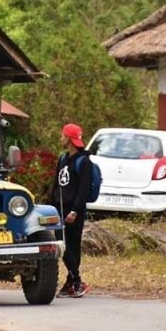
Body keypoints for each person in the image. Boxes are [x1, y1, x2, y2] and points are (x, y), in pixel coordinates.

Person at [50, 123, 93, 298]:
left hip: (74, 211)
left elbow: (83, 190)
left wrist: (74, 211)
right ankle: (71, 283)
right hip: (59, 209)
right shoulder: (63, 158)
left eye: (63, 136)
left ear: (69, 139)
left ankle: (76, 282)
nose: (61, 138)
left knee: (71, 247)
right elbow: (55, 184)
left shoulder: (84, 162)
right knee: (64, 246)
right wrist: (49, 205)